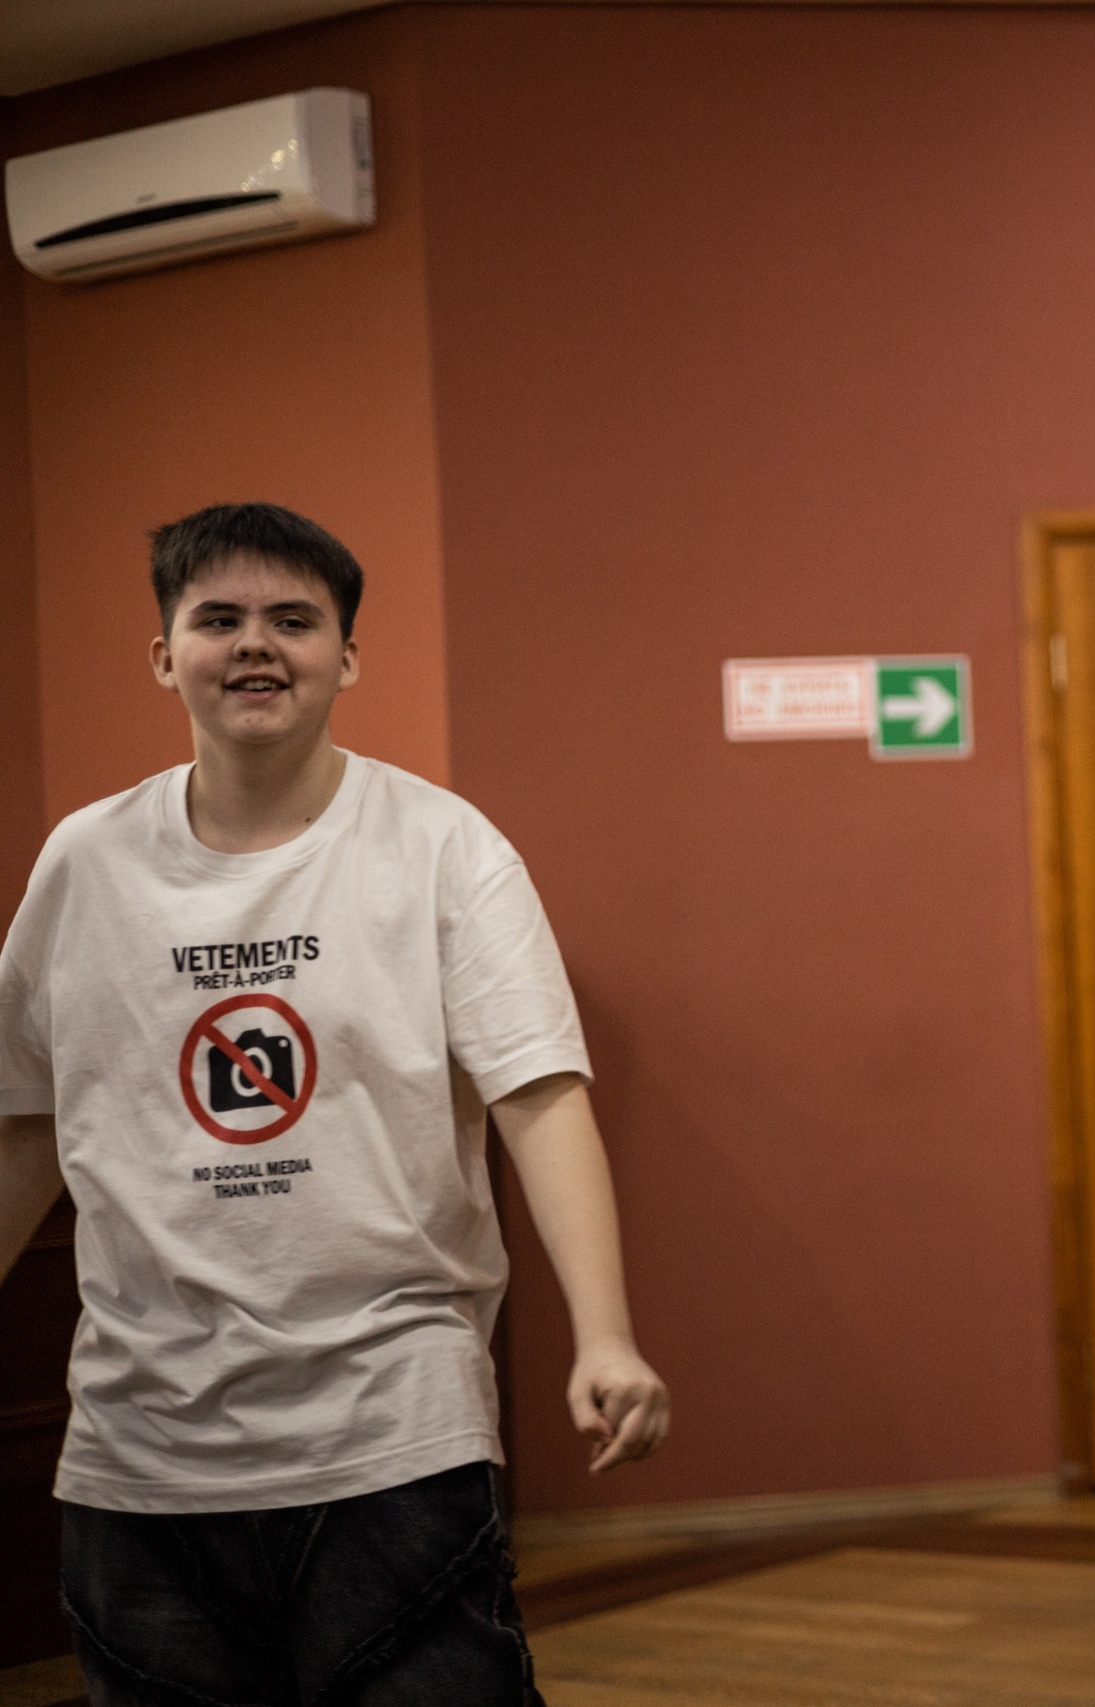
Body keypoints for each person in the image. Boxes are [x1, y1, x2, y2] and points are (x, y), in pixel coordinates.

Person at [0, 504, 669, 1705]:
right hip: (139, 1456)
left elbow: (540, 1094)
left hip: (393, 1436)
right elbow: (28, 1125)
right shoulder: (82, 865)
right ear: (164, 654)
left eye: (293, 621)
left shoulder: (442, 848)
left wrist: (605, 1333)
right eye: (219, 619)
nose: (256, 645)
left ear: (347, 656)